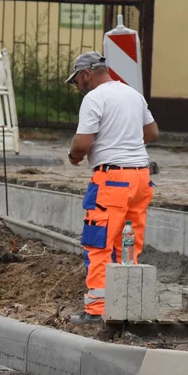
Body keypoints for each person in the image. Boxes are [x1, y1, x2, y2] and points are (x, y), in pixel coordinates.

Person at [65, 51, 159, 324]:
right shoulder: (132, 94)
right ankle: (124, 308)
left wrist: (74, 157)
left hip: (111, 181)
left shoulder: (94, 98)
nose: (77, 87)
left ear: (86, 75)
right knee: (127, 245)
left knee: (98, 243)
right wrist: (126, 142)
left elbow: (82, 144)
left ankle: (96, 310)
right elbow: (152, 133)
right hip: (140, 179)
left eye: (77, 81)